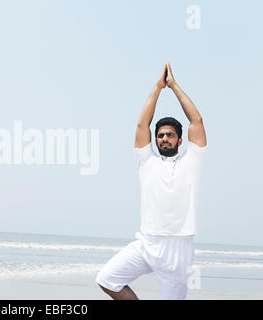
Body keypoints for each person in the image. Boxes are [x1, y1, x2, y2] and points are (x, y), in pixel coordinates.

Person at [96, 62, 207, 300]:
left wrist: (174, 87)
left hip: (178, 250)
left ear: (179, 140)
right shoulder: (146, 162)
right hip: (146, 243)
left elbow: (196, 121)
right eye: (160, 136)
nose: (164, 138)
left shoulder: (192, 162)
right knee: (107, 279)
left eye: (170, 135)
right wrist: (157, 88)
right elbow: (141, 125)